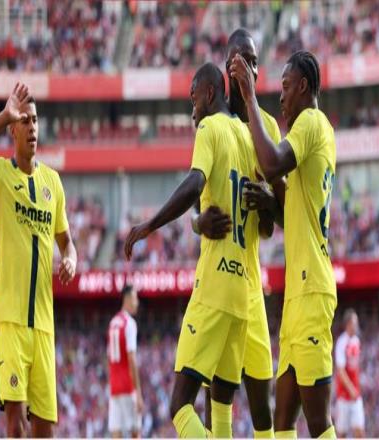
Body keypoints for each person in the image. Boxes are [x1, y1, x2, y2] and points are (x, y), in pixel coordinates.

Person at [125, 62, 258, 438]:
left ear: (210, 93)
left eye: (193, 98)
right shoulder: (247, 136)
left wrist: (150, 225)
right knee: (221, 411)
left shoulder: (209, 128)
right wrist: (199, 222)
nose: (192, 109)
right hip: (243, 291)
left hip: (214, 284)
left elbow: (196, 182)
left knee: (179, 406)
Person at [230, 51, 337, 438]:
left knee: (318, 421)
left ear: (304, 87)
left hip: (311, 290)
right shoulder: (319, 131)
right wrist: (271, 200)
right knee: (283, 422)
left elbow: (273, 162)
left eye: (286, 87)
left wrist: (249, 98)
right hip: (299, 293)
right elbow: (292, 212)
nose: (281, 96)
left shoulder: (311, 121)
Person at [0, 82, 77, 437]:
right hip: (11, 320)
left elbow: (67, 243)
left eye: (35, 121)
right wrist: (4, 115)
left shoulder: (52, 183)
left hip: (44, 325)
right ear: (13, 130)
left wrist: (70, 259)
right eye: (24, 121)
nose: (32, 128)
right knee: (16, 425)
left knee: (44, 430)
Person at [191, 28, 283, 438]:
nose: (251, 68)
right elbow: (198, 203)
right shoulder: (212, 121)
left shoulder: (268, 128)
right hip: (216, 277)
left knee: (262, 403)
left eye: (256, 61)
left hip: (250, 281)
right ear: (229, 66)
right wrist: (198, 223)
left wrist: (267, 202)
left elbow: (273, 223)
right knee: (217, 399)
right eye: (244, 59)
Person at [107, 284, 143, 438]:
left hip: (114, 387)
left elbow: (109, 357)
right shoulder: (129, 323)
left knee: (116, 433)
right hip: (128, 387)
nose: (137, 303)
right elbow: (131, 358)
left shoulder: (113, 323)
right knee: (135, 433)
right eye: (135, 299)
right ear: (127, 299)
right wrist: (138, 392)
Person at [334, 309, 364, 438]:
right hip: (344, 395)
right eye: (354, 323)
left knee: (360, 431)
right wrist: (351, 388)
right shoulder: (342, 342)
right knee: (342, 433)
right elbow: (340, 370)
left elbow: (355, 367)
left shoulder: (356, 341)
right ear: (348, 324)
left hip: (355, 395)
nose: (356, 325)